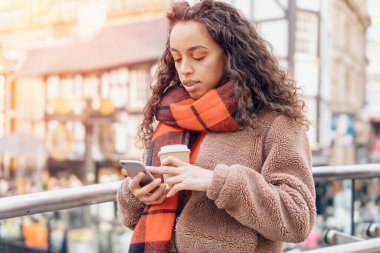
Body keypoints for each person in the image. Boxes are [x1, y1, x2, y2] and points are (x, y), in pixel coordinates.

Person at [116, 1, 316, 252]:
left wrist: (217, 182)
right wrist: (135, 195)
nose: (185, 70)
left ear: (231, 54)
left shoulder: (275, 122)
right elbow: (132, 219)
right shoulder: (172, 116)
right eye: (177, 59)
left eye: (198, 56)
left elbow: (298, 219)